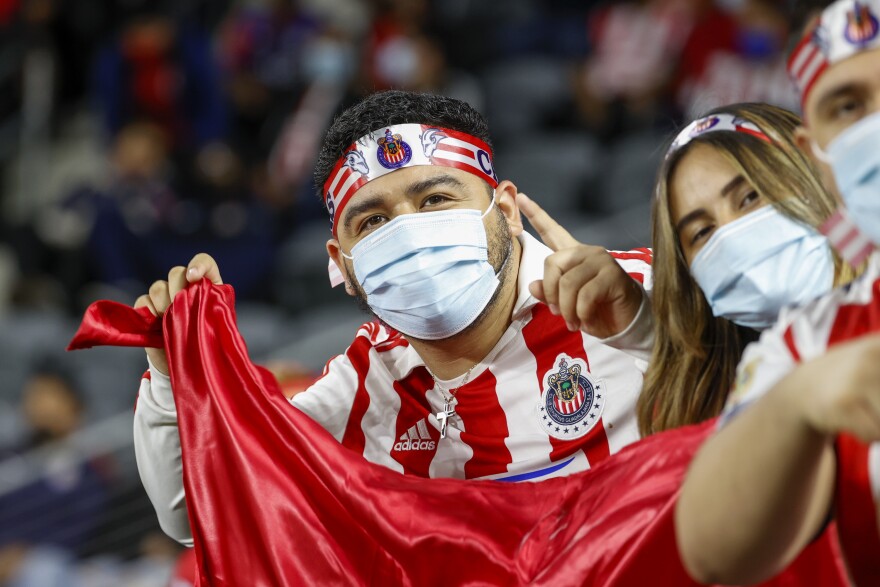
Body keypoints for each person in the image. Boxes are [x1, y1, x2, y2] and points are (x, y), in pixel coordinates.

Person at [132, 90, 655, 546]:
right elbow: (201, 510)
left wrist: (649, 333)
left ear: (507, 210)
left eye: (435, 198)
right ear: (343, 264)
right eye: (374, 220)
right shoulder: (362, 389)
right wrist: (171, 378)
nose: (410, 231)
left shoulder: (639, 296)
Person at [675, 0, 880, 583]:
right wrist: (799, 400)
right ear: (820, 158)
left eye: (748, 200)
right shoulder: (805, 346)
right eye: (848, 106)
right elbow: (716, 554)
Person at [639, 101, 858, 436]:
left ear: (811, 173)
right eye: (702, 232)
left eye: (749, 197)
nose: (732, 234)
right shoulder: (720, 410)